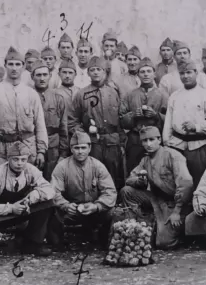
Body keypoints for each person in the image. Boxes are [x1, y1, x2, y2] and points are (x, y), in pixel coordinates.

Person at [0, 141, 56, 256]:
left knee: (48, 204)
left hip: (23, 210)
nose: (20, 164)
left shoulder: (31, 170)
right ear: (8, 159)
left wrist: (32, 198)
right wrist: (11, 208)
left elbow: (50, 190)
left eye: (23, 160)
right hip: (2, 215)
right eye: (15, 159)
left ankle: (32, 244)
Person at [120, 126, 193, 249]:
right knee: (127, 191)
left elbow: (186, 183)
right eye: (145, 141)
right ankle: (135, 226)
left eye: (152, 139)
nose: (148, 144)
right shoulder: (145, 160)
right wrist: (139, 181)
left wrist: (177, 211)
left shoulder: (173, 156)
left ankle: (181, 229)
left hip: (175, 203)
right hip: (156, 200)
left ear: (159, 139)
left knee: (164, 243)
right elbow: (129, 179)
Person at [49, 132, 117, 250]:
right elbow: (53, 192)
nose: (80, 151)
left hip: (93, 209)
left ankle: (102, 240)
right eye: (76, 148)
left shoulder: (98, 166)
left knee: (112, 212)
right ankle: (58, 243)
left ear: (90, 148)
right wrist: (65, 205)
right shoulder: (62, 167)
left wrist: (97, 206)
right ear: (71, 149)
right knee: (52, 212)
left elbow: (110, 192)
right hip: (71, 210)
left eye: (83, 147)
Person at [0, 47, 48, 168]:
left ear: (24, 66)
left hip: (28, 149)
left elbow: (40, 124)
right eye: (11, 64)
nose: (14, 68)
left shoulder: (31, 93)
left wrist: (41, 151)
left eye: (18, 64)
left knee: (28, 183)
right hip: (1, 151)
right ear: (5, 65)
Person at [69, 56, 126, 189]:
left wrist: (122, 140)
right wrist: (85, 136)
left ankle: (115, 204)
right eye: (92, 69)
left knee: (114, 174)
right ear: (88, 72)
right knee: (93, 174)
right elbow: (72, 120)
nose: (95, 72)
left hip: (113, 141)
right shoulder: (81, 94)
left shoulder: (114, 92)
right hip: (93, 142)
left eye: (99, 69)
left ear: (105, 71)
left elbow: (121, 119)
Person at [162, 60, 206, 186]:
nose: (186, 76)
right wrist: (167, 143)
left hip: (198, 146)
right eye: (182, 73)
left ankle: (199, 205)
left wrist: (196, 127)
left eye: (189, 72)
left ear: (196, 73)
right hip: (177, 146)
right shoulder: (174, 96)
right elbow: (168, 123)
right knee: (179, 181)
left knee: (200, 182)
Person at [119, 57, 168, 172]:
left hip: (156, 140)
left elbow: (170, 119)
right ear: (138, 75)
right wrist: (133, 115)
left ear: (154, 74)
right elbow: (121, 120)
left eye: (149, 71)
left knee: (158, 171)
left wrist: (156, 116)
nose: (146, 74)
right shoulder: (130, 95)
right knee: (135, 170)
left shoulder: (163, 95)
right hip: (136, 140)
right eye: (142, 71)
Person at [31, 61, 69, 180]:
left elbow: (64, 127)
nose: (42, 78)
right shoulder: (27, 95)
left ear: (50, 76)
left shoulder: (58, 98)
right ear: (32, 77)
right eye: (38, 75)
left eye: (45, 75)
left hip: (53, 146)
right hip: (32, 145)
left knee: (52, 179)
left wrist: (63, 153)